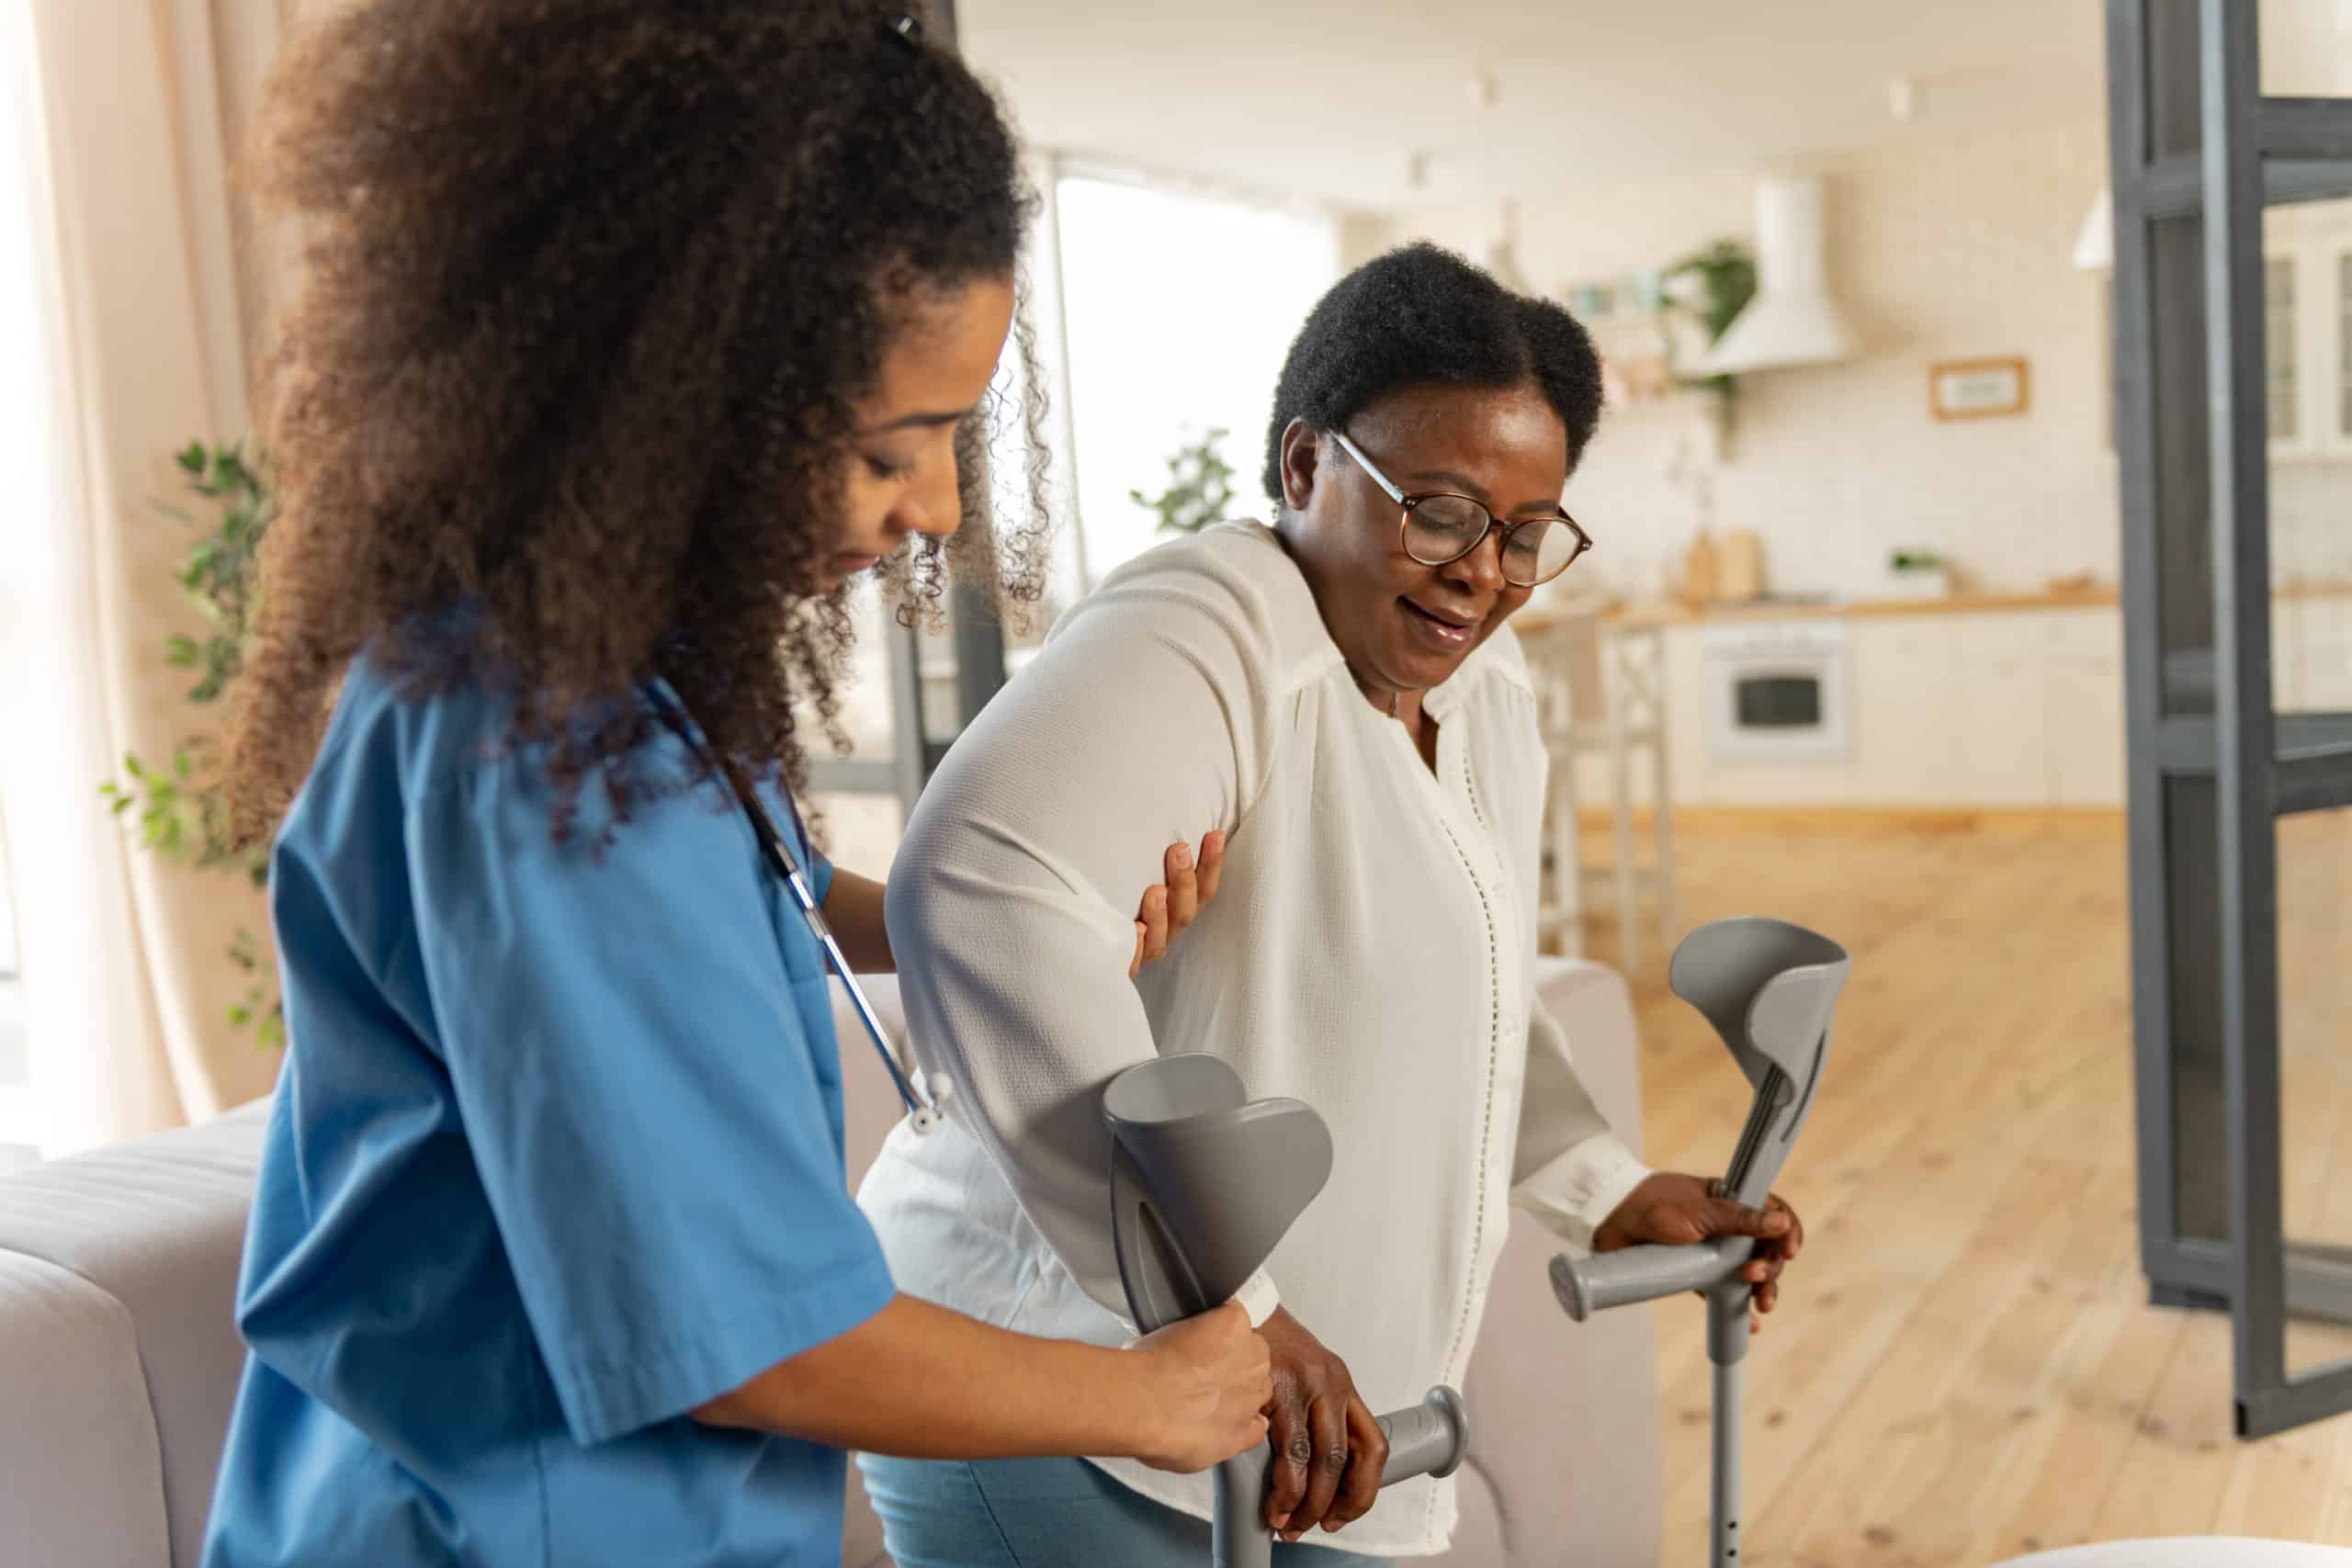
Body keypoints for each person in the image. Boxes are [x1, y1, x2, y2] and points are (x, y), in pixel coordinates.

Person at [198, 5, 1272, 1565]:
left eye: (959, 438)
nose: (938, 508)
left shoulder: (620, 670)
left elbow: (756, 902)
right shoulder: (549, 748)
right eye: (891, 446)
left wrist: (1017, 915)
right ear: (689, 387)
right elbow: (755, 1343)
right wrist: (1147, 1399)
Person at [855, 243, 1809, 1567]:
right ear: (1307, 467)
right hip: (1075, 1410)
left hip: (1301, 1436)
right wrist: (1228, 1307)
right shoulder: (1212, 625)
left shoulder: (1483, 696)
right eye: (1437, 508)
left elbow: (1460, 997)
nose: (1482, 571)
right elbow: (976, 887)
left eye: (1527, 534)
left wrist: (1605, 1185)